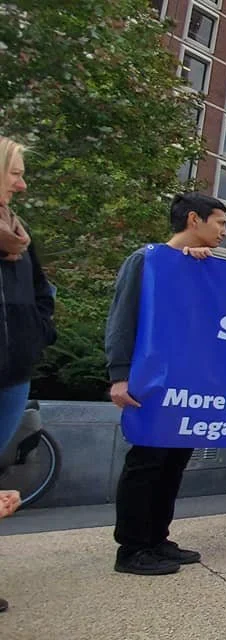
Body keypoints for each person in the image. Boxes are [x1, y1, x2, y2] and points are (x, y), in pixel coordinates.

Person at [108, 192, 226, 575]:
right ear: (194, 220)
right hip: (150, 381)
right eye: (220, 222)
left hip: (187, 385)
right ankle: (131, 548)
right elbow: (123, 318)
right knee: (147, 462)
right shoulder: (148, 261)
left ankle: (156, 538)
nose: (224, 231)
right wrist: (119, 375)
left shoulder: (200, 267)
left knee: (173, 463)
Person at [0, 137, 54, 611]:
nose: (22, 182)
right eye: (14, 172)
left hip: (13, 367)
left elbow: (41, 291)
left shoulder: (20, 234)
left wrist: (37, 333)